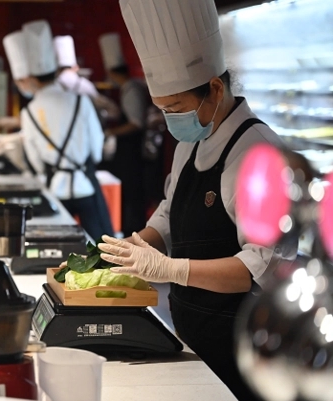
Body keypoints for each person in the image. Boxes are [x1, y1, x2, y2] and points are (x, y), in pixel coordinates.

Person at [96, 0, 296, 400]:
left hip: (243, 343)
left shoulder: (259, 156)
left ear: (215, 89)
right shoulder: (193, 139)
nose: (171, 119)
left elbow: (260, 266)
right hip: (192, 332)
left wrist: (172, 269)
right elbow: (171, 209)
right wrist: (135, 247)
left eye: (175, 108)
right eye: (163, 110)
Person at [19, 20, 113, 241]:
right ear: (56, 72)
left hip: (54, 188)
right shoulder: (80, 100)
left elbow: (34, 158)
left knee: (58, 247)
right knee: (101, 248)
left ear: (31, 78)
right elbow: (97, 144)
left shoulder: (29, 111)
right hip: (86, 183)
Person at [98, 32, 151, 235]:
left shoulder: (131, 89)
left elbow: (136, 123)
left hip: (132, 151)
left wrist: (110, 132)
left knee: (132, 192)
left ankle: (134, 231)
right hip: (128, 151)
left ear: (112, 72)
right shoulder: (129, 87)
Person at [53, 35, 120, 121]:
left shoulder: (51, 86)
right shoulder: (86, 85)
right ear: (76, 67)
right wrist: (101, 114)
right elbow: (113, 110)